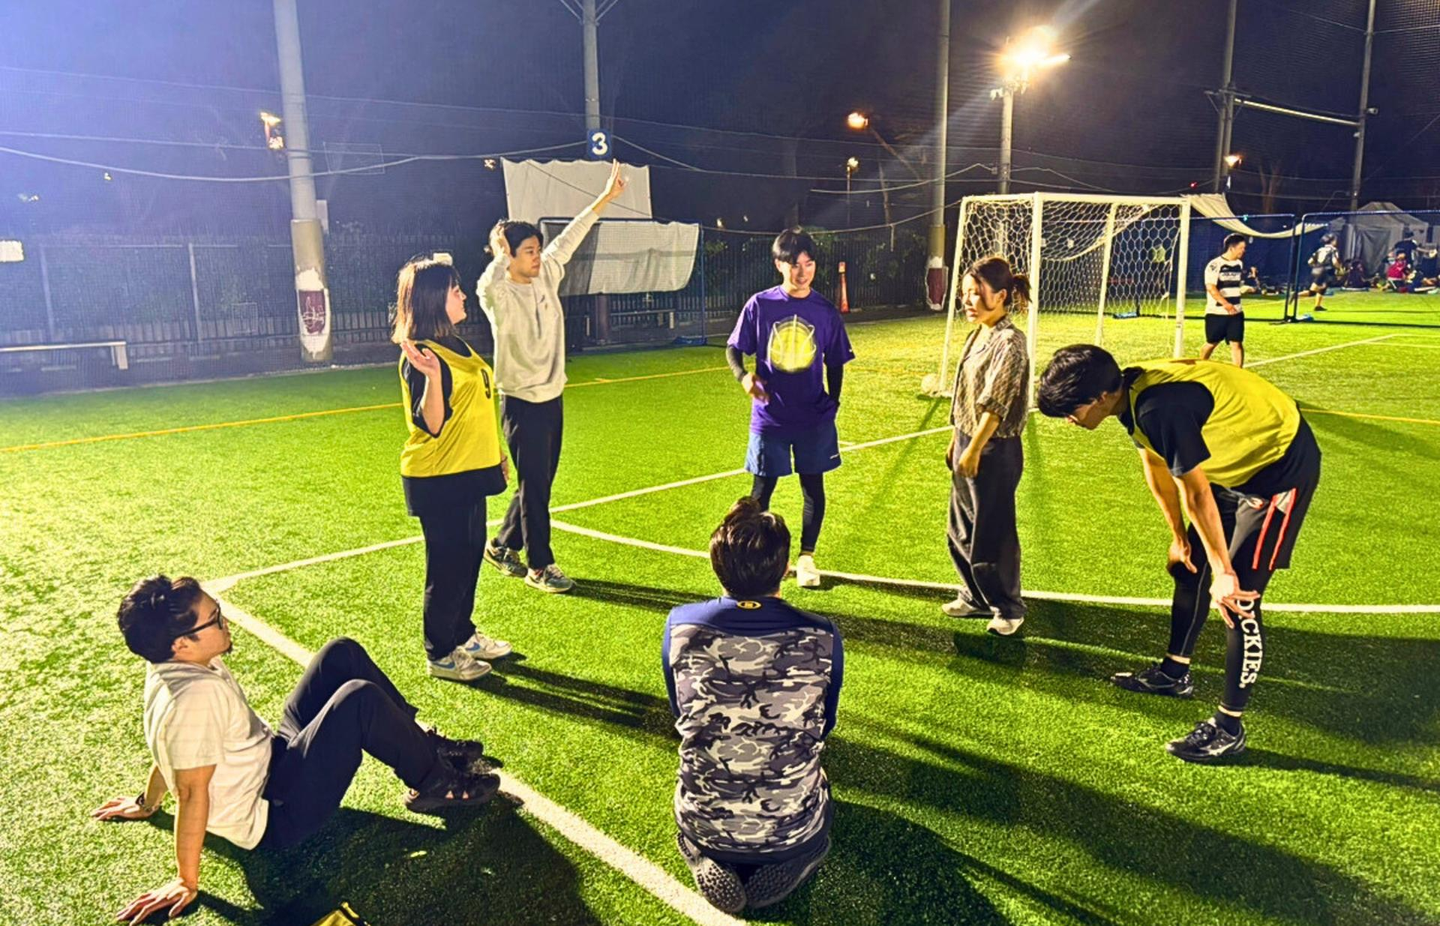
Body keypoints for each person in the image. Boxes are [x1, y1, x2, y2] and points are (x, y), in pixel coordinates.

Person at [97, 576, 497, 925]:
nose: (224, 620)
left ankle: (423, 746)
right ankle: (436, 782)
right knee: (357, 700)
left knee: (340, 654)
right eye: (214, 618)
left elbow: (173, 753)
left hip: (275, 761)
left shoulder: (171, 664)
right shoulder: (194, 699)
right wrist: (186, 880)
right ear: (182, 643)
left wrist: (147, 803)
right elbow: (189, 790)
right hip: (278, 814)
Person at [1036, 346, 1321, 763]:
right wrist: (1179, 538)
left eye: (1070, 409)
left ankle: (1229, 726)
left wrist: (1224, 571)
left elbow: (1197, 492)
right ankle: (1174, 673)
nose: (1069, 419)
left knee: (1238, 599)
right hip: (1229, 466)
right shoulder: (1130, 396)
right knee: (1189, 568)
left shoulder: (1158, 407)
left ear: (1100, 397)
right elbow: (1156, 466)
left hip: (1278, 468)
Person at [663, 498, 842, 912]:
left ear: (716, 566)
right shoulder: (822, 634)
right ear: (785, 568)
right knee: (820, 788)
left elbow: (680, 710)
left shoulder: (680, 625)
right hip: (792, 828)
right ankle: (798, 856)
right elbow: (825, 723)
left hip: (703, 819)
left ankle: (701, 849)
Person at [476, 160, 628, 594]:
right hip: (521, 402)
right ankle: (539, 566)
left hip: (552, 398)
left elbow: (573, 235)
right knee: (536, 487)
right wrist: (501, 251)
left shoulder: (548, 274)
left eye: (537, 248)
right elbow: (486, 281)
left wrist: (605, 198)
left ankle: (500, 545)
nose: (537, 256)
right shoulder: (498, 293)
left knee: (539, 482)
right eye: (528, 250)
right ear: (509, 255)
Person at [394, 255, 513, 682]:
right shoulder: (422, 354)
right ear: (432, 299)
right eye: (455, 290)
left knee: (469, 557)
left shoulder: (456, 344)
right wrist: (429, 377)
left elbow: (475, 405)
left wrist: (494, 454)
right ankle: (440, 652)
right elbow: (432, 423)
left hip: (468, 471)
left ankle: (462, 633)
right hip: (438, 477)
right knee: (447, 567)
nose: (463, 296)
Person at [725, 227, 854, 589]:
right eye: (794, 264)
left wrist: (834, 401)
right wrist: (744, 377)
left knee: (813, 487)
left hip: (813, 418)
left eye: (809, 264)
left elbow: (836, 361)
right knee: (761, 491)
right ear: (779, 264)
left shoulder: (825, 311)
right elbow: (733, 348)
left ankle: (806, 558)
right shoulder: (760, 305)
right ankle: (752, 559)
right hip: (771, 417)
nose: (802, 272)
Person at [941, 256, 1032, 636]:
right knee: (960, 525)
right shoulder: (978, 333)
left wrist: (975, 448)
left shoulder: (1010, 343)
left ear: (1002, 296)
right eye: (965, 293)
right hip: (968, 438)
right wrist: (957, 438)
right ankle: (975, 596)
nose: (968, 301)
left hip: (994, 447)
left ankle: (1008, 607)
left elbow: (996, 404)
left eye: (976, 294)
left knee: (993, 532)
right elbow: (965, 392)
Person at [1200, 233, 1247, 368]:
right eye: (1241, 248)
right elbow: (1211, 287)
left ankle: (1238, 371)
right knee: (1212, 342)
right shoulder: (1215, 265)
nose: (1243, 251)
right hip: (1217, 312)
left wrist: (1245, 289)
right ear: (1232, 248)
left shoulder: (1239, 264)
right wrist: (1226, 304)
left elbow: (1236, 285)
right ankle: (1201, 364)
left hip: (1236, 312)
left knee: (1236, 342)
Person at [1300, 233, 1342, 311]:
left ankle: (1318, 306)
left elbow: (1310, 261)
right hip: (1325, 271)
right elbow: (1335, 261)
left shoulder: (1320, 249)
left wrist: (1316, 266)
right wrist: (1339, 268)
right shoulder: (1333, 250)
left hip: (1316, 270)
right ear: (1332, 241)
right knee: (1312, 292)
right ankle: (1296, 295)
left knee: (1322, 288)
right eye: (1335, 240)